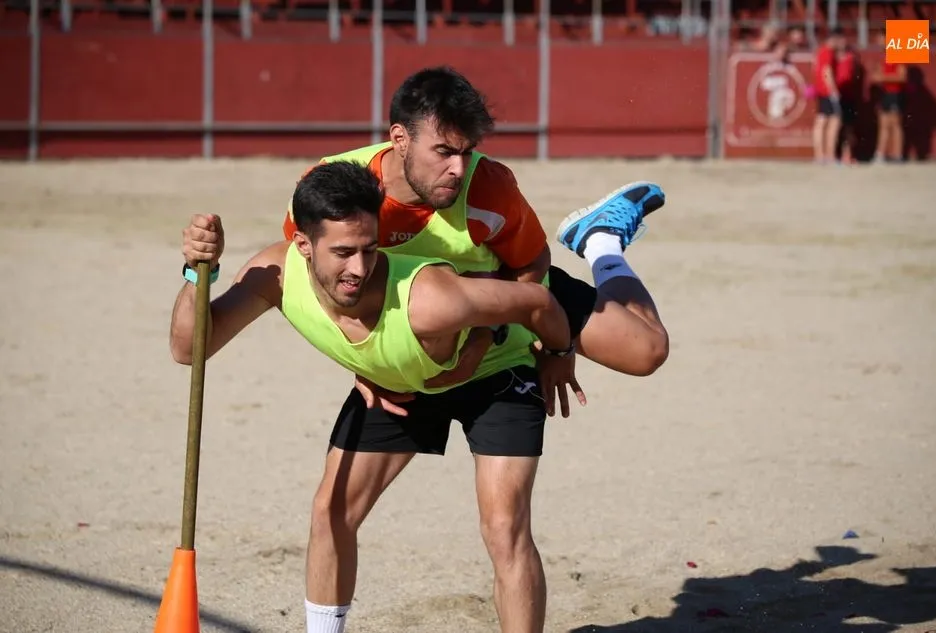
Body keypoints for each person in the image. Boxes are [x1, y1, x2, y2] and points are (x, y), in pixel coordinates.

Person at [171, 160, 611, 633]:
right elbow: (189, 348)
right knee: (330, 512)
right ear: (302, 245)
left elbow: (538, 302)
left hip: (493, 372)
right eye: (343, 252)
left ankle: (603, 245)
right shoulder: (275, 274)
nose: (358, 268)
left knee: (504, 527)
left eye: (369, 249)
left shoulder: (431, 298)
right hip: (400, 385)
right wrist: (199, 274)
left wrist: (559, 353)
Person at [282, 66, 670, 418]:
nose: (459, 168)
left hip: (505, 291)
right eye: (444, 151)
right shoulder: (333, 196)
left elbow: (531, 261)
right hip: (423, 328)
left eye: (467, 151)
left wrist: (496, 335)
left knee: (647, 352)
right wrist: (365, 365)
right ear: (400, 138)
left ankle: (600, 241)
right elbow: (321, 290)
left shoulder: (488, 186)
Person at [871, 33, 907, 163]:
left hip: (895, 93)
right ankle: (880, 154)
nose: (879, 42)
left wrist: (882, 77)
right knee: (884, 124)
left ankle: (898, 154)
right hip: (885, 94)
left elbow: (902, 76)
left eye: (881, 39)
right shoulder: (885, 56)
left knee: (895, 124)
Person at [811, 28, 845, 164]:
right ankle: (828, 155)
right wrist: (833, 90)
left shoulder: (821, 51)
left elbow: (816, 69)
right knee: (832, 122)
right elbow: (827, 71)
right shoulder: (828, 52)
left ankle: (822, 155)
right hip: (827, 91)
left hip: (822, 91)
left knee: (823, 121)